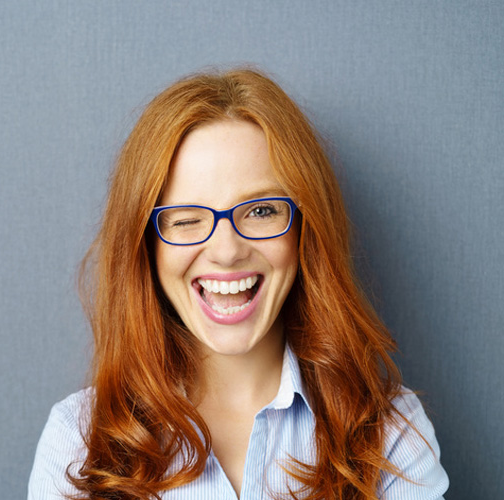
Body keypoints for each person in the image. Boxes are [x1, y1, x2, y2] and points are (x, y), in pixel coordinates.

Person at [27, 69, 448, 500]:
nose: (226, 251)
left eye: (261, 211)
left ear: (306, 228)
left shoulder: (391, 434)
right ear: (146, 245)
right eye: (187, 219)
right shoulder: (77, 443)